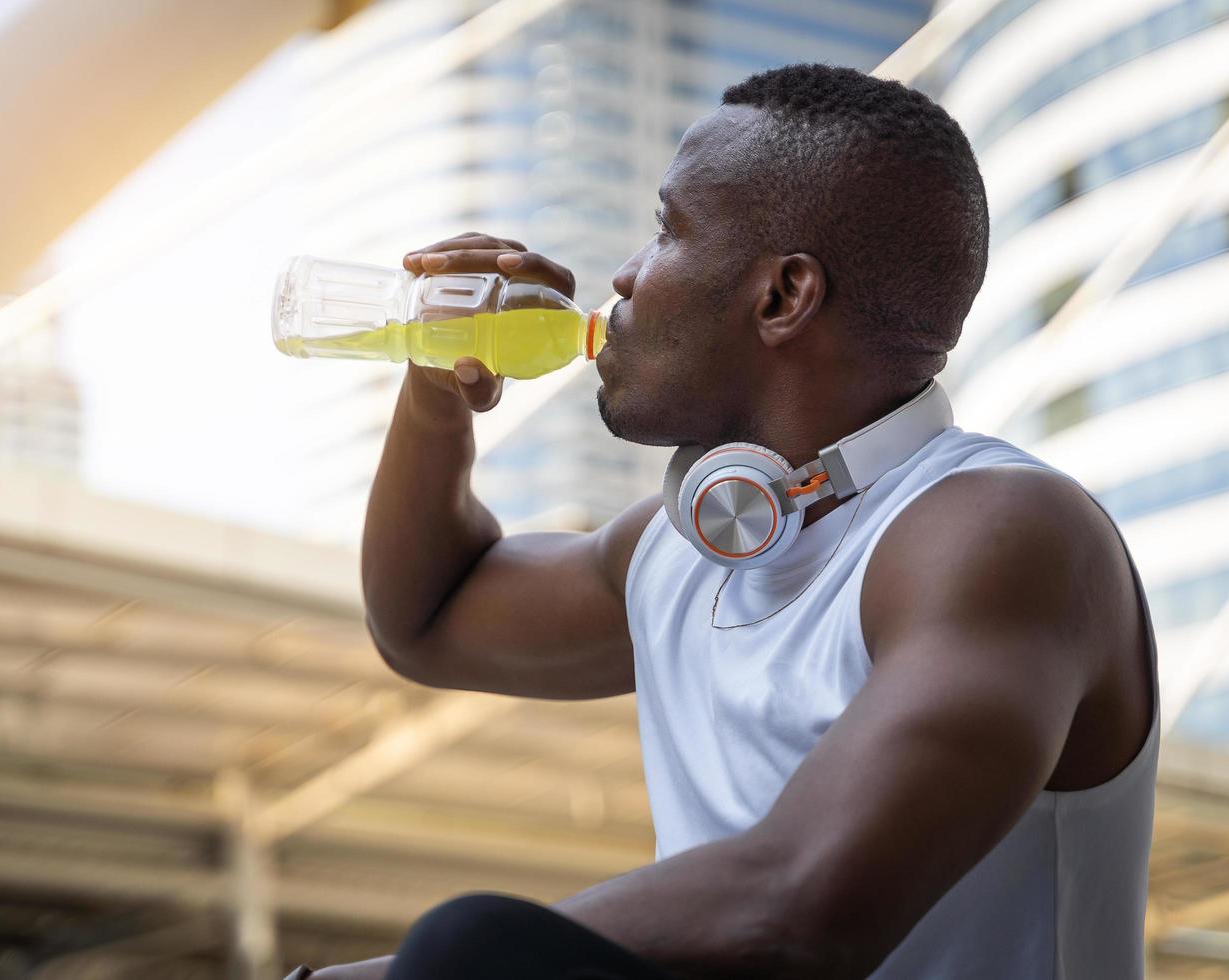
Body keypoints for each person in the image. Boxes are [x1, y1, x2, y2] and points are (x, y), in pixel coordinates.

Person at [305, 64, 1156, 980]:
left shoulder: (1001, 533)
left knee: (465, 945)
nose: (625, 275)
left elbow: (797, 903)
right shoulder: (678, 550)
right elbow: (429, 621)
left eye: (667, 230)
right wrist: (435, 394)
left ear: (782, 297)